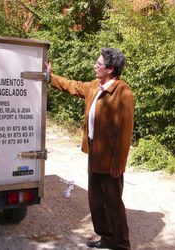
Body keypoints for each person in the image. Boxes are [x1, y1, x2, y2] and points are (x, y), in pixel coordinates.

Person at [46, 47, 134, 250]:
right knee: (95, 199)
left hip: (111, 158)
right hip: (95, 151)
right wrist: (51, 77)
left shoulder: (123, 92)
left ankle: (121, 243)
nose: (95, 65)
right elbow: (73, 86)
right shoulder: (95, 86)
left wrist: (118, 163)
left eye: (99, 63)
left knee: (113, 201)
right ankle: (106, 237)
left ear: (110, 69)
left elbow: (125, 132)